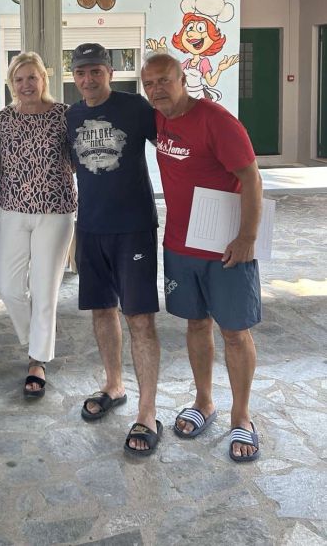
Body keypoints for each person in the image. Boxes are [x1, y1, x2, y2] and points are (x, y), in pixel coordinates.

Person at [141, 53, 263, 462]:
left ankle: (241, 417)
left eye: (164, 80)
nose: (157, 89)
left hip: (224, 245)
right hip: (180, 244)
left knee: (235, 331)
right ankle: (204, 401)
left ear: (182, 79)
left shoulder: (216, 121)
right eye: (149, 83)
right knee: (196, 323)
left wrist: (247, 237)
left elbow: (251, 177)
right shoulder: (157, 120)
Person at [66, 43, 161, 456]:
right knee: (102, 311)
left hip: (133, 229)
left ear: (110, 71)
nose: (88, 79)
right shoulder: (71, 116)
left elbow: (173, 145)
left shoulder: (135, 108)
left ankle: (147, 411)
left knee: (139, 319)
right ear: (74, 76)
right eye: (81, 72)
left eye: (96, 71)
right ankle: (114, 384)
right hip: (91, 228)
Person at [0, 52, 76, 399]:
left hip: (55, 212)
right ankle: (36, 338)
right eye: (19, 79)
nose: (26, 84)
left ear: (44, 78)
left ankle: (37, 361)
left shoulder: (64, 115)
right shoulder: (3, 119)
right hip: (12, 211)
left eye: (32, 77)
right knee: (8, 287)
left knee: (44, 290)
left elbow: (80, 160)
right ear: (11, 84)